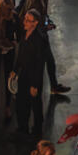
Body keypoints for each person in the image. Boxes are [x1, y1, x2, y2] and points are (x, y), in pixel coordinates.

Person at [14, 9, 48, 137]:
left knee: (35, 104)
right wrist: (15, 70)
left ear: (35, 23)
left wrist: (35, 85)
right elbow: (21, 54)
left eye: (28, 20)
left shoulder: (39, 40)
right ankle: (22, 128)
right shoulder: (25, 33)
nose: (25, 22)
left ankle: (37, 131)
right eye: (25, 19)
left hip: (33, 77)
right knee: (21, 102)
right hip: (23, 74)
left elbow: (39, 64)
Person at [0, 0, 19, 123]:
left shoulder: (14, 16)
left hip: (9, 50)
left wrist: (13, 42)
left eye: (10, 9)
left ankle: (7, 105)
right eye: (6, 9)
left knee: (9, 77)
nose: (9, 12)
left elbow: (19, 33)